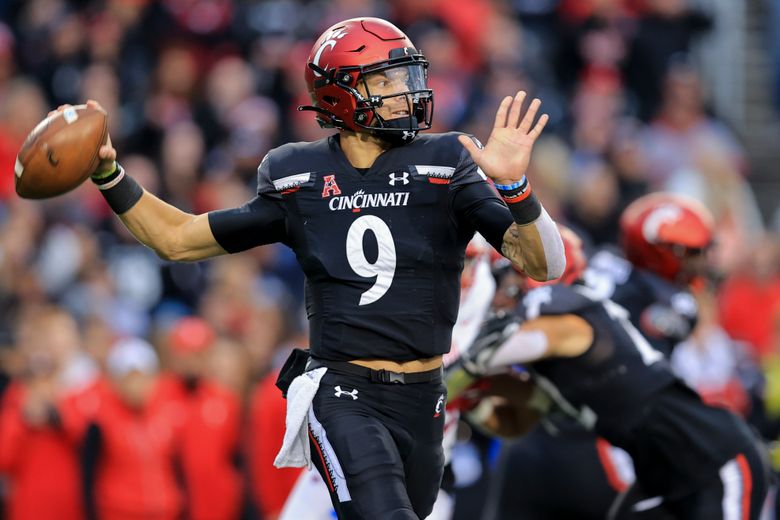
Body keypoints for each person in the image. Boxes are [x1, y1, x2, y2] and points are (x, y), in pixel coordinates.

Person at [50, 16, 565, 520]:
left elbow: (544, 264)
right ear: (340, 93)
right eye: (387, 80)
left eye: (408, 76)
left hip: (424, 398)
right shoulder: (300, 175)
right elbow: (178, 239)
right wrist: (110, 174)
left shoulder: (445, 161)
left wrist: (516, 190)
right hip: (344, 391)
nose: (408, 92)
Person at [452, 226, 769, 519]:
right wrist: (474, 398)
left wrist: (437, 375)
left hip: (714, 459)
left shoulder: (569, 323)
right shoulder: (552, 347)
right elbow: (520, 421)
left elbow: (482, 356)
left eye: (503, 276)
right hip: (658, 471)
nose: (493, 289)